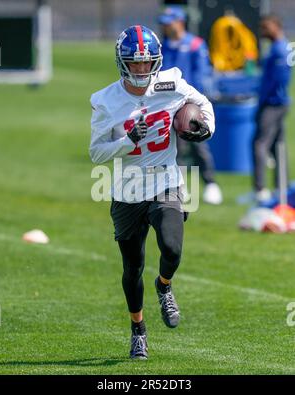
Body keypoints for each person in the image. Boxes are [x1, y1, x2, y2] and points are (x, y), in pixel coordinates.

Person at [89, 25, 215, 360]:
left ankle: (164, 284)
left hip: (166, 181)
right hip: (127, 188)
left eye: (148, 63)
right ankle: (138, 331)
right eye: (136, 62)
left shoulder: (171, 82)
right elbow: (96, 153)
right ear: (122, 62)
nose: (143, 69)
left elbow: (200, 102)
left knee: (172, 249)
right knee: (132, 268)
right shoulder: (106, 100)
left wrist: (206, 128)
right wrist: (127, 140)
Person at [158, 6, 223, 205]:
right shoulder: (164, 46)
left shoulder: (195, 45)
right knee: (172, 148)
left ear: (180, 22)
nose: (167, 26)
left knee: (199, 145)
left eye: (170, 22)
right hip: (168, 105)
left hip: (188, 104)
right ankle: (178, 187)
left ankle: (211, 184)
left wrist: (192, 101)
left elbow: (201, 75)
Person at [252, 14, 292, 202]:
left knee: (260, 144)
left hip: (273, 104)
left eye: (266, 27)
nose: (263, 32)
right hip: (278, 103)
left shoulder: (280, 49)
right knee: (278, 145)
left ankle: (260, 189)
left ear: (276, 26)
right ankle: (280, 187)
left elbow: (278, 80)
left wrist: (264, 100)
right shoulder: (280, 47)